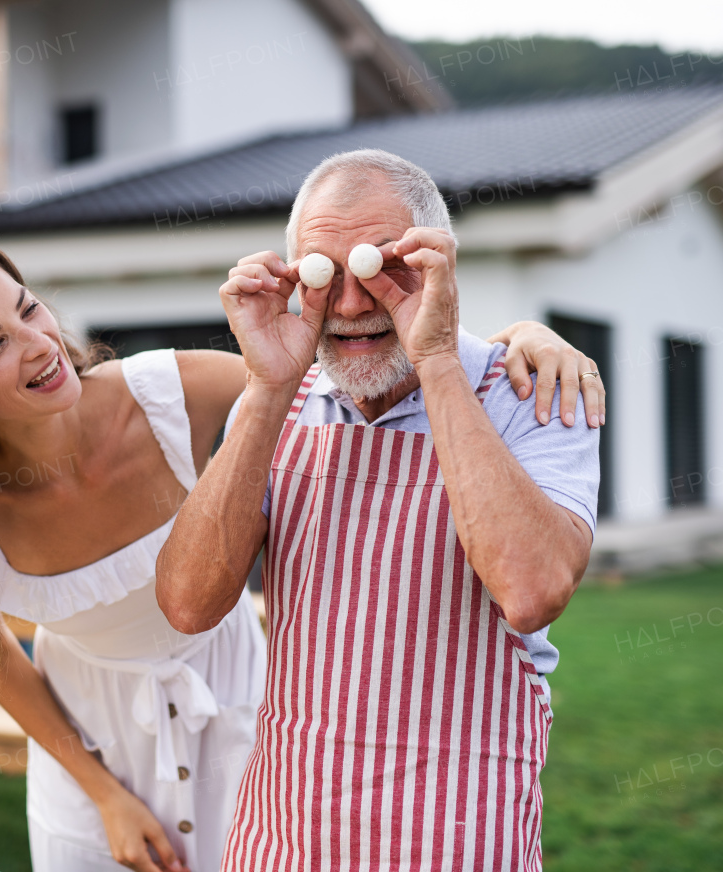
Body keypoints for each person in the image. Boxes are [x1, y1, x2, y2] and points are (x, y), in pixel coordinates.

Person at [0, 228, 602, 872]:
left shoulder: (164, 393)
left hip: (241, 705)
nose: (40, 345)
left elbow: (339, 375)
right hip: (88, 746)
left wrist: (515, 340)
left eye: (29, 307)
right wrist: (102, 792)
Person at [156, 148, 601, 870]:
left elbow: (532, 591)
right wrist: (267, 390)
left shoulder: (535, 393)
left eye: (381, 270)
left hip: (458, 836)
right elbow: (187, 602)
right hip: (287, 834)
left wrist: (437, 361)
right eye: (325, 276)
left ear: (436, 268)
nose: (355, 305)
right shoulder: (277, 402)